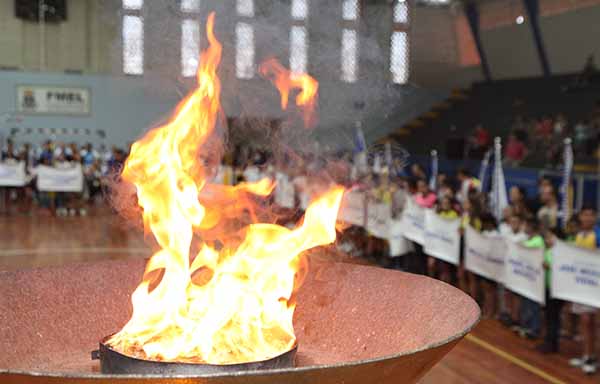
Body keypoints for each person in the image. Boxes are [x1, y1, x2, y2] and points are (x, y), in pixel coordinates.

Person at [569, 205, 600, 374]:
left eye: (591, 215)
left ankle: (592, 357)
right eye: (585, 215)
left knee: (591, 321)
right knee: (584, 321)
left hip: (594, 286)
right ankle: (585, 354)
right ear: (580, 216)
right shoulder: (578, 235)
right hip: (579, 285)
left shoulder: (598, 235)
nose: (588, 218)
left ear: (595, 217)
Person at [518, 216, 544, 340]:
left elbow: (527, 250)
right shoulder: (529, 239)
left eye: (526, 225)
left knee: (533, 305)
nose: (524, 227)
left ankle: (534, 329)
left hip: (534, 279)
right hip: (526, 278)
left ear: (531, 227)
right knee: (526, 303)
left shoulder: (538, 241)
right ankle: (526, 326)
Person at [499, 214, 527, 328]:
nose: (513, 224)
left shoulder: (523, 237)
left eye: (516, 222)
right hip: (507, 267)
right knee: (507, 292)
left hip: (517, 269)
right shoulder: (507, 235)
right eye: (512, 222)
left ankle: (516, 317)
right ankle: (509, 314)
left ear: (520, 224)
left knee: (516, 294)